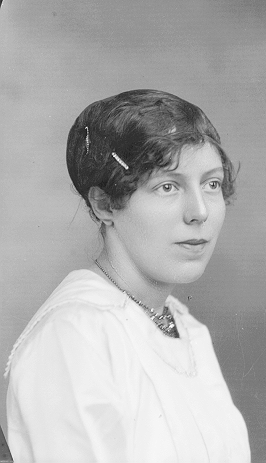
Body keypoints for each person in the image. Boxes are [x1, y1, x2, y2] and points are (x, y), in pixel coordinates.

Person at [5, 89, 251, 462]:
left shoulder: (184, 326)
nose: (200, 212)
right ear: (104, 203)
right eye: (167, 186)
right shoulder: (75, 336)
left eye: (211, 184)